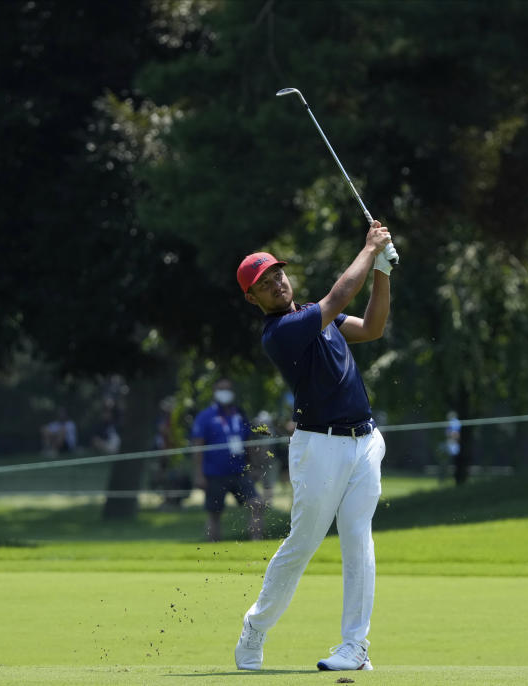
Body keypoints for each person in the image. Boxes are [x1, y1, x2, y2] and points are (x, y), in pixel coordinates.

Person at [233, 220, 394, 672]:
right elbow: (340, 296)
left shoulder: (316, 316)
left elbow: (374, 327)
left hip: (364, 442)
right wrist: (370, 248)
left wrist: (382, 268)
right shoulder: (282, 331)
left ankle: (355, 646)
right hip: (318, 447)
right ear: (254, 299)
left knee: (358, 540)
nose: (276, 284)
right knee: (303, 543)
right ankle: (256, 626)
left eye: (277, 275)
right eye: (264, 284)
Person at [191, 378, 264, 542]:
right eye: (221, 389)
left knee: (256, 504)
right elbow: (197, 446)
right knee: (214, 513)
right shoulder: (205, 416)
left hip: (239, 471)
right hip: (215, 473)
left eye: (228, 389)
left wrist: (255, 466)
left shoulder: (240, 415)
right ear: (215, 392)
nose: (225, 392)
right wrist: (198, 474)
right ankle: (212, 548)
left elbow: (250, 444)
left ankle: (256, 541)